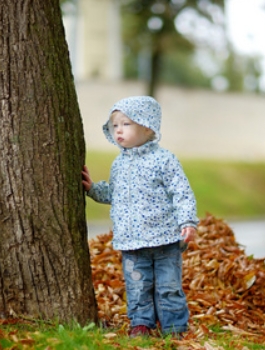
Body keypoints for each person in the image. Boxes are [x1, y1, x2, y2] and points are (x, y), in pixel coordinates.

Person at [82, 96, 198, 338]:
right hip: (132, 242)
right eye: (114, 125)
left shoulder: (164, 160)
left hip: (165, 240)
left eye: (126, 124)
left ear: (147, 126)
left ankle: (174, 327)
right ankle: (141, 323)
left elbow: (181, 192)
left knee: (169, 287)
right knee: (137, 286)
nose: (119, 131)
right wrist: (93, 189)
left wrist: (187, 221)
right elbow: (114, 193)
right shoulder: (119, 164)